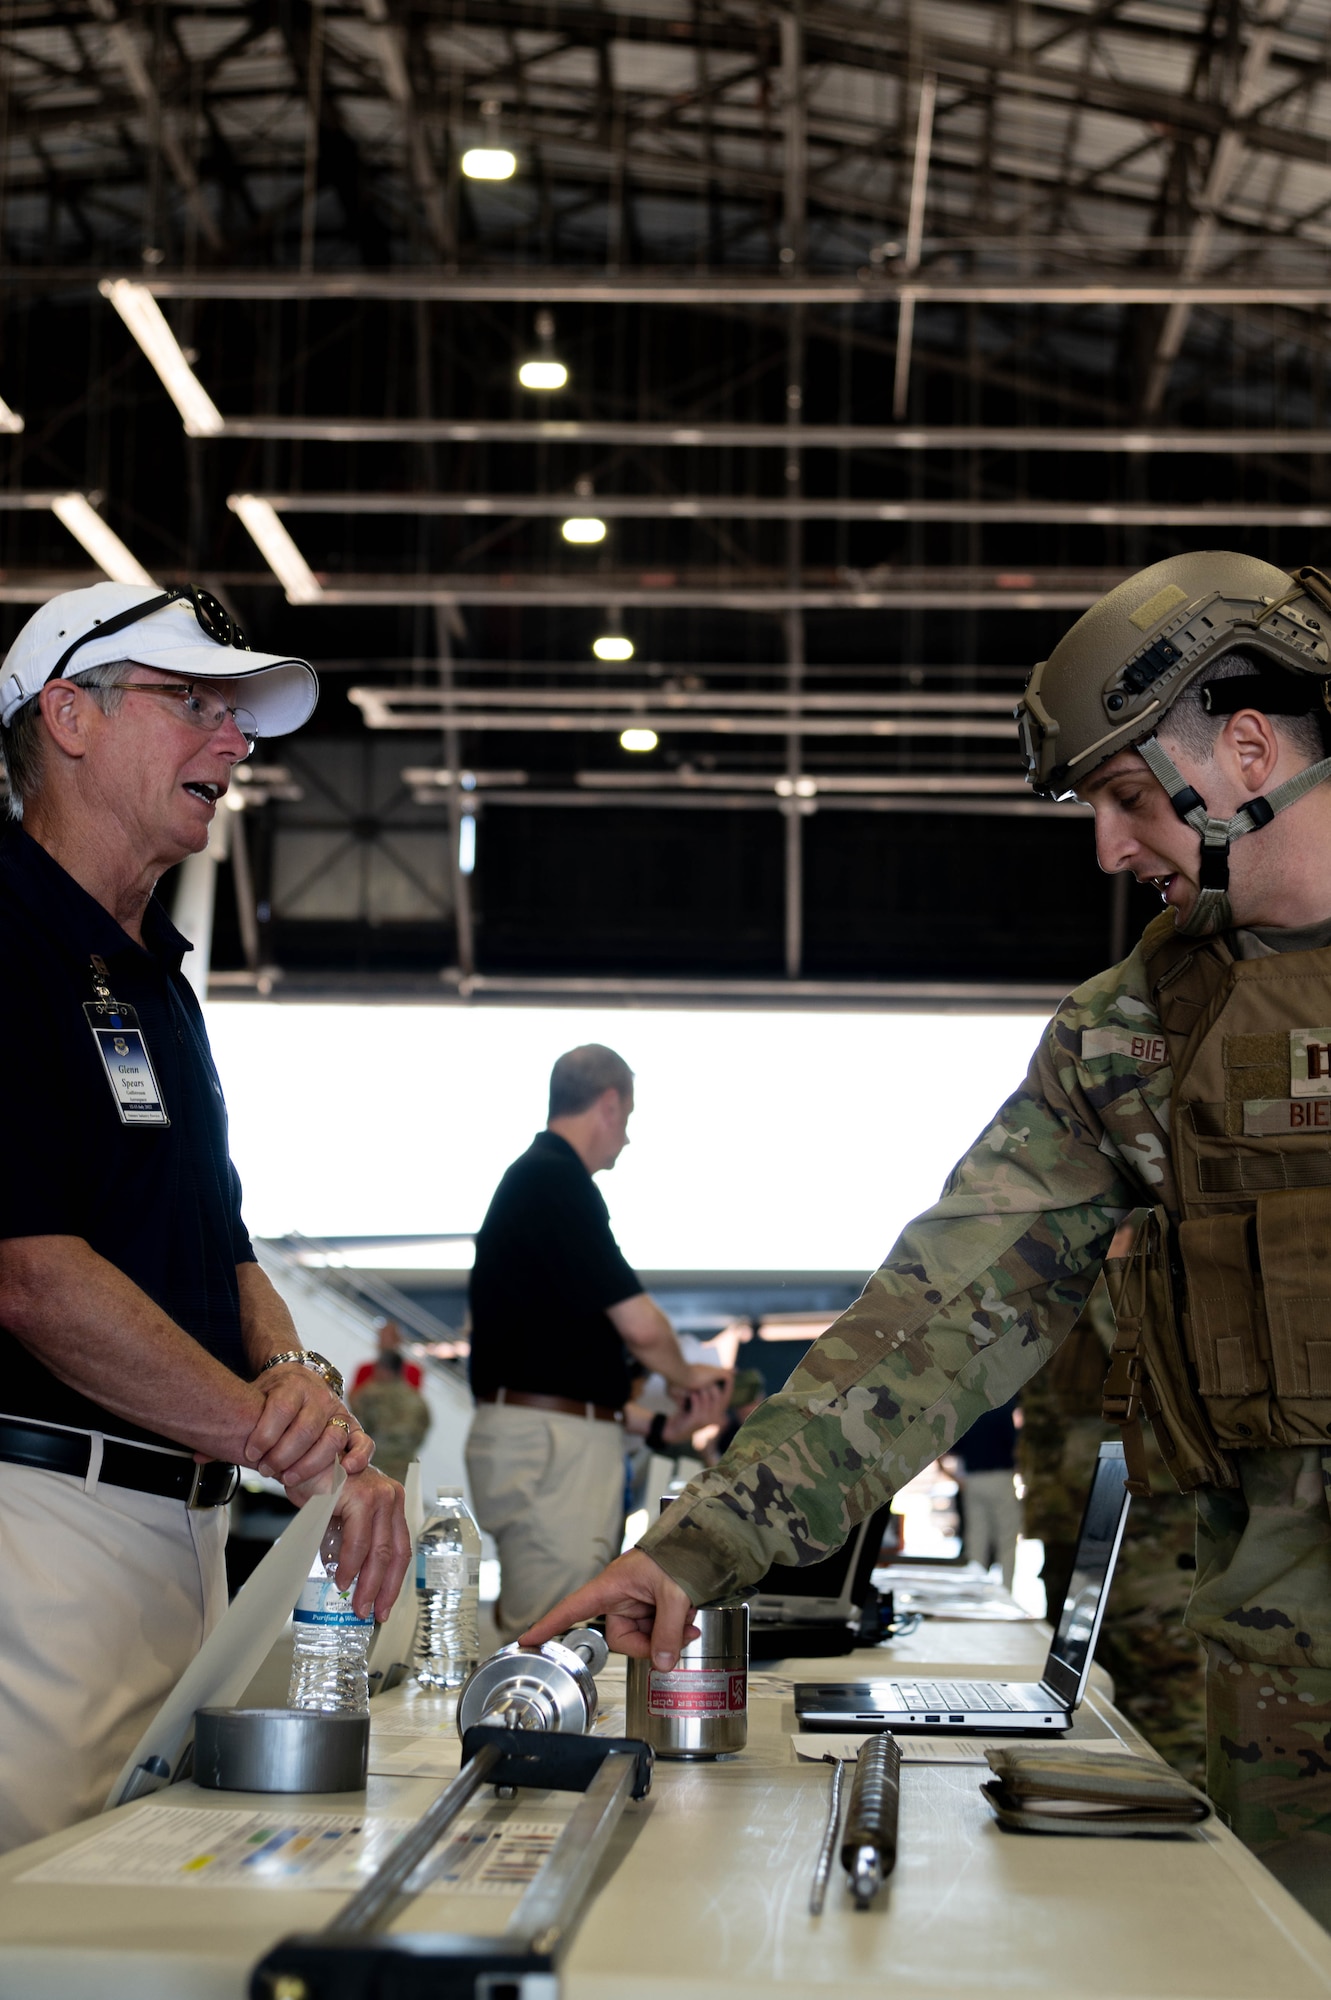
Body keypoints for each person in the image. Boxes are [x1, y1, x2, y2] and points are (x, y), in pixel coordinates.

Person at [524, 553, 1331, 1914]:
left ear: (1244, 751)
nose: (1107, 848)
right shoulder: (1134, 1032)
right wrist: (694, 1546)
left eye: (1127, 798)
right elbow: (935, 1315)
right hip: (1279, 1725)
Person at [0, 581, 410, 1852]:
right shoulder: (2, 937)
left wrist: (300, 1388)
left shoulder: (153, 976)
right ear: (68, 716)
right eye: (192, 703)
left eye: (234, 713)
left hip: (183, 1537)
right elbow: (29, 1273)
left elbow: (223, 1247)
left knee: (142, 1916)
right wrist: (275, 1438)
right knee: (44, 1928)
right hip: (39, 1529)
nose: (233, 744)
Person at [465, 1043, 729, 1638]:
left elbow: (563, 1371)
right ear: (608, 1105)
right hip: (553, 1451)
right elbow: (640, 1327)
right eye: (628, 1120)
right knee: (549, 1640)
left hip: (553, 1441)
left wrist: (661, 1427)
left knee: (558, 1631)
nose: (627, 1139)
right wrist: (693, 1378)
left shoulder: (538, 1183)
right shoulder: (556, 1180)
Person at [1021, 1264, 1206, 1785]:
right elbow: (1045, 1423)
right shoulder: (1054, 1297)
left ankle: (1189, 1834)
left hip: (1150, 1538)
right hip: (1074, 1529)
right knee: (1088, 1703)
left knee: (1167, 1703)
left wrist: (1119, 1279)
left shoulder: (1152, 1281)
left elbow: (1171, 1395)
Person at [951, 1396, 1020, 1591]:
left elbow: (955, 1446)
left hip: (973, 1478)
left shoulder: (968, 1411)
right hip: (1000, 1476)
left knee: (976, 1537)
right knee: (1006, 1539)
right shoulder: (1003, 1407)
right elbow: (1012, 1442)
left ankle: (975, 1589)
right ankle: (1006, 1589)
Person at [349, 1349, 431, 1485]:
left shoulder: (368, 1395)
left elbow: (356, 1427)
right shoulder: (418, 1401)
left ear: (383, 1370)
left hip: (371, 1466)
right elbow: (423, 1430)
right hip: (403, 1469)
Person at [350, 1318, 423, 1395]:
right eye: (381, 1338)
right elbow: (353, 1397)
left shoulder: (413, 1371)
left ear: (398, 1341)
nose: (383, 1342)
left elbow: (413, 1401)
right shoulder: (365, 1369)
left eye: (389, 1338)